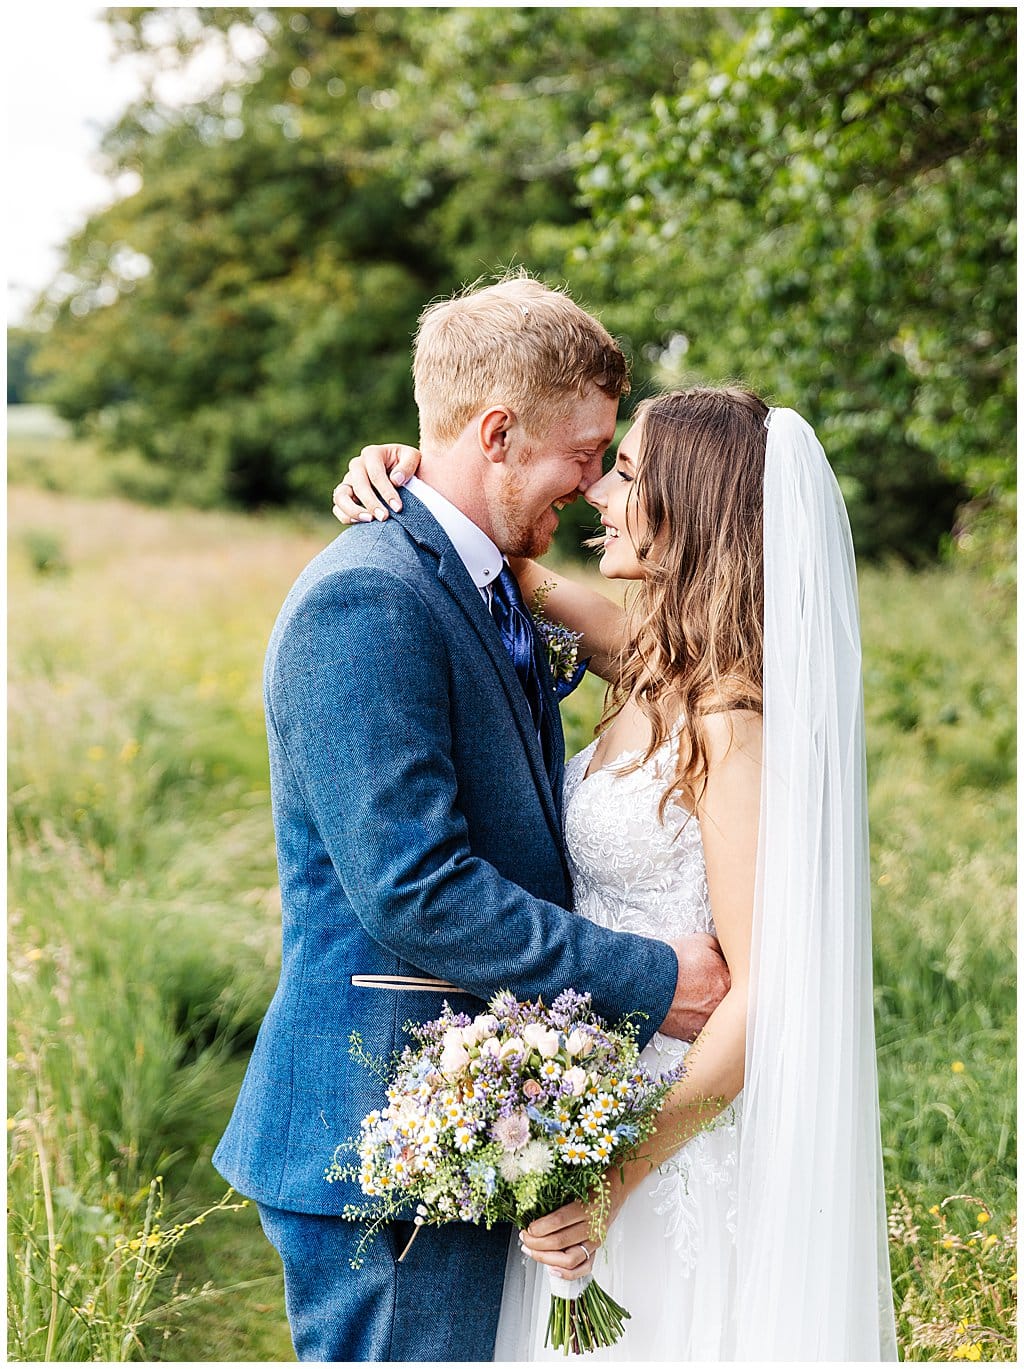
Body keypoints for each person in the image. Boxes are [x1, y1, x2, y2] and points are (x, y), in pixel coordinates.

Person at [212, 275, 730, 1364]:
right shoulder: (370, 595)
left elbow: (665, 670)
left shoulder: (487, 579)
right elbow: (414, 888)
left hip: (478, 1116)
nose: (594, 487)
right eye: (583, 453)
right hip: (389, 1126)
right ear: (498, 432)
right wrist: (649, 978)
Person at [335, 386, 898, 1358]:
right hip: (581, 1100)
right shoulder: (655, 664)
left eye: (626, 473)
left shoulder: (730, 718)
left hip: (668, 1137)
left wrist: (612, 1176)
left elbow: (766, 997)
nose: (597, 492)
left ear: (691, 507)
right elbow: (487, 541)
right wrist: (402, 465)